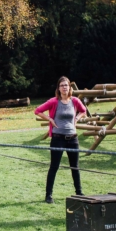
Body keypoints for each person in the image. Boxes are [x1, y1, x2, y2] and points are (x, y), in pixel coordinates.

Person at [34, 76, 87, 204]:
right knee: (54, 167)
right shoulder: (54, 101)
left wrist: (77, 119)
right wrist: (50, 119)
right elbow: (37, 111)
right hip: (58, 139)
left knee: (75, 167)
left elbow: (83, 110)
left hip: (73, 139)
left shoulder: (74, 101)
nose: (64, 87)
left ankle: (79, 193)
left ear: (70, 87)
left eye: (66, 85)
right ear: (58, 88)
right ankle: (48, 195)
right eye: (62, 85)